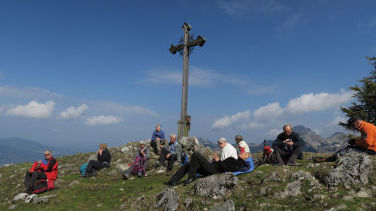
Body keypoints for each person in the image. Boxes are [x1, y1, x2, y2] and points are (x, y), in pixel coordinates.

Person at [165, 151, 250, 186]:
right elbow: (224, 165)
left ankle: (191, 177)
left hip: (214, 170)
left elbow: (227, 169)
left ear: (246, 157)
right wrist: (217, 160)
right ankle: (173, 181)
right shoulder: (234, 160)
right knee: (188, 164)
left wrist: (218, 161)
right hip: (213, 167)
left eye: (244, 153)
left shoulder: (239, 164)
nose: (242, 152)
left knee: (196, 154)